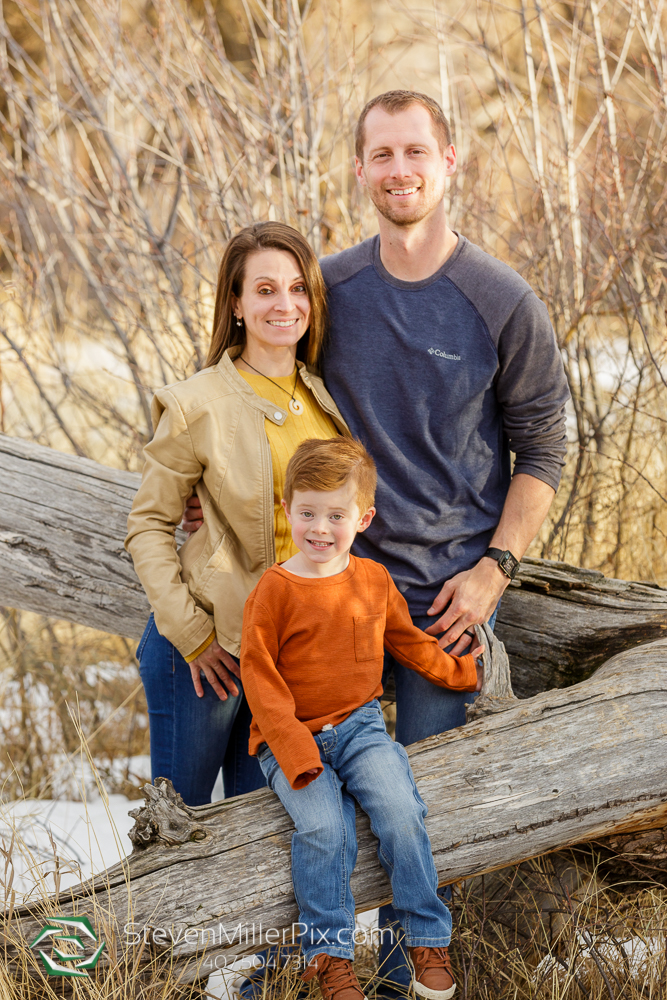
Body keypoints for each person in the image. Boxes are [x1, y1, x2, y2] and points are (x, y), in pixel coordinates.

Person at [241, 437, 485, 1000]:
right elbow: (260, 678)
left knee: (401, 808)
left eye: (335, 515)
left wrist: (463, 674)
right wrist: (298, 755)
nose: (319, 529)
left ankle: (425, 936)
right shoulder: (273, 590)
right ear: (287, 510)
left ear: (364, 517)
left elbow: (409, 644)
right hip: (289, 742)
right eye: (307, 513)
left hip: (361, 729)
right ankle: (330, 958)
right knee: (327, 829)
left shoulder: (373, 581)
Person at [125, 222, 347, 807]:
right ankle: (140, 906)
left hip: (282, 658)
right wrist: (193, 638)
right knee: (179, 831)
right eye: (266, 289)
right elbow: (147, 526)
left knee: (264, 839)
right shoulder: (198, 403)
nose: (286, 305)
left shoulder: (324, 400)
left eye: (299, 289)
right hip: (205, 652)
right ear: (237, 302)